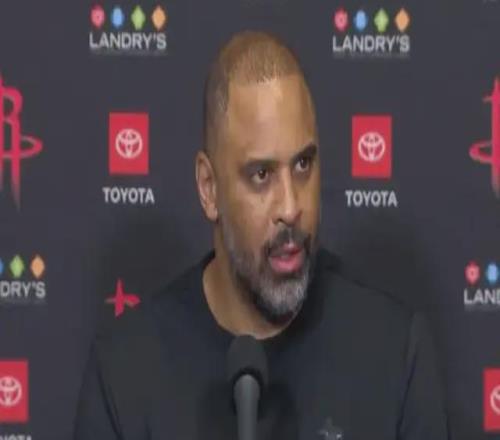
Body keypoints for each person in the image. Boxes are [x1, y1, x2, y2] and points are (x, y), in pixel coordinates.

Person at [74, 31, 448, 440]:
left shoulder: (395, 353)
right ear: (209, 188)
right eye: (261, 175)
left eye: (303, 165)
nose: (290, 206)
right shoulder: (123, 374)